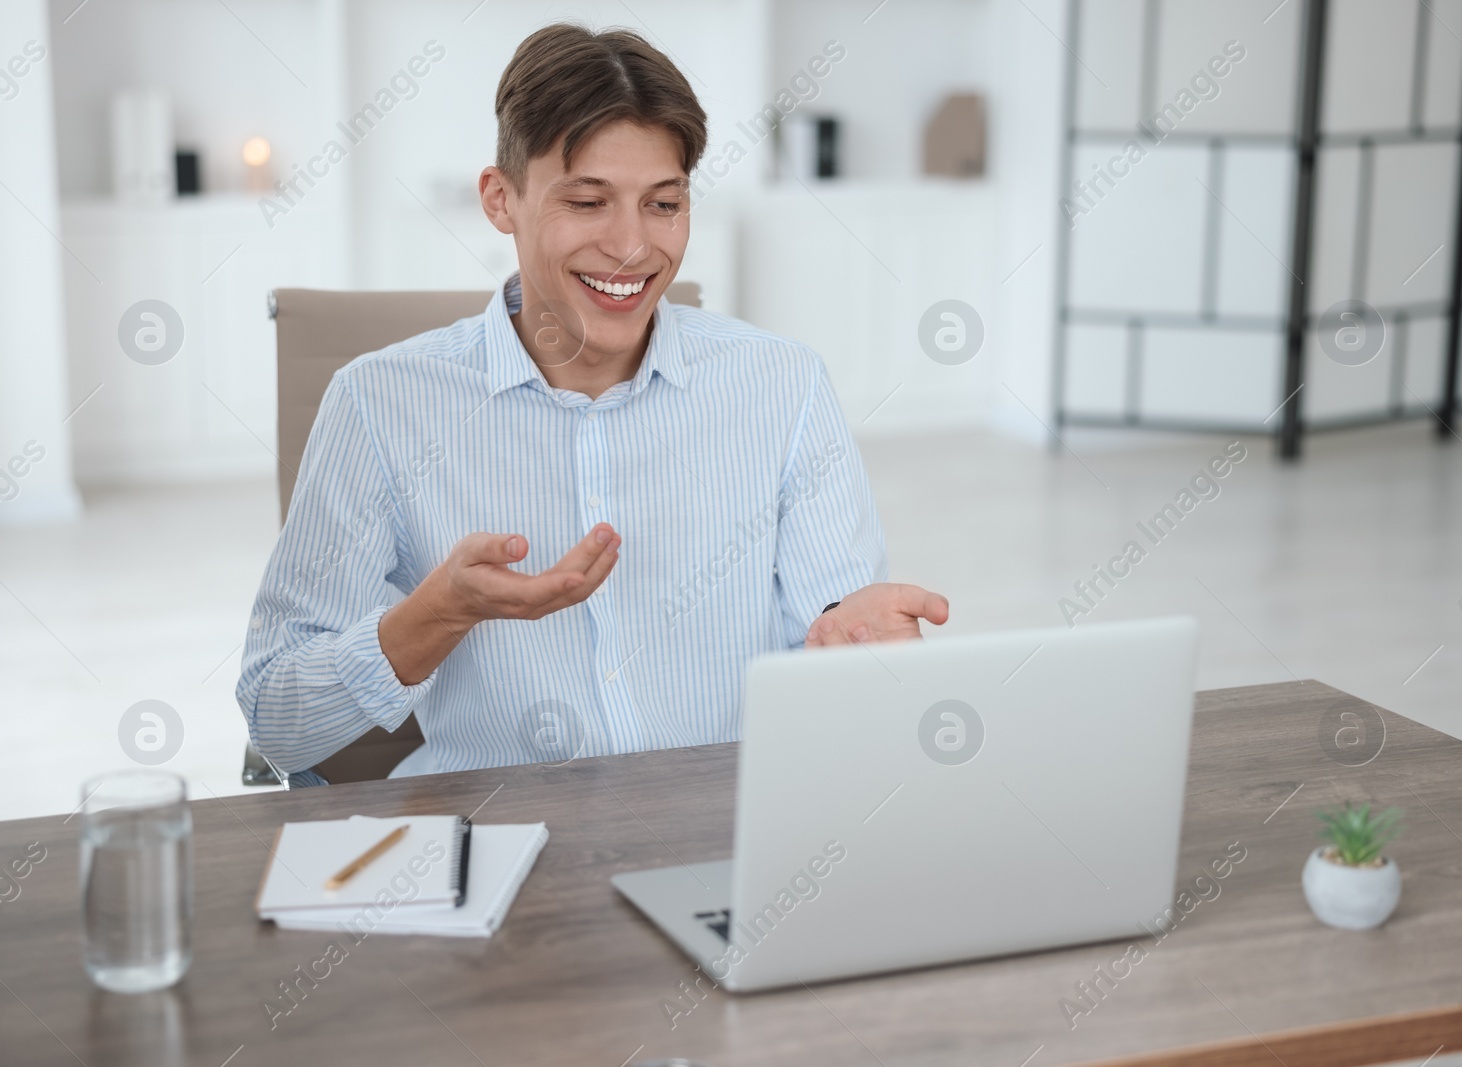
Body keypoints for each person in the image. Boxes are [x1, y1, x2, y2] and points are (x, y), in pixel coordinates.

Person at [237, 22, 949, 786]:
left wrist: (854, 658)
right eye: (587, 200)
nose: (632, 246)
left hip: (722, 833)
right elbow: (278, 720)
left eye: (664, 204)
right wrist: (436, 613)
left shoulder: (785, 386)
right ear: (499, 199)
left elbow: (831, 639)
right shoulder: (379, 405)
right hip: (498, 837)